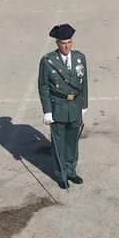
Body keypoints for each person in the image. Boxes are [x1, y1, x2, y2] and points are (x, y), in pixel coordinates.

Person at [37, 23, 88, 190]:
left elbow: (84, 83)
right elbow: (43, 86)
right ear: (57, 44)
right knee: (58, 143)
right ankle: (61, 174)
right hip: (58, 106)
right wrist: (47, 111)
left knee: (73, 141)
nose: (66, 46)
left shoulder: (80, 58)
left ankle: (71, 171)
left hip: (75, 106)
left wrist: (84, 104)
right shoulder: (48, 61)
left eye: (69, 42)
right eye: (63, 43)